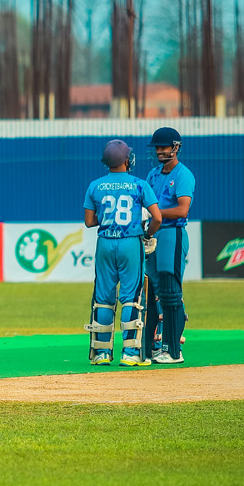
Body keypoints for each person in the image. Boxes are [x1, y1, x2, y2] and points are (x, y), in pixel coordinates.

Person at [83, 140, 162, 366]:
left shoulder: (95, 186)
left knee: (104, 299)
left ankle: (101, 353)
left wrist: (110, 219)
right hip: (130, 242)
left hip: (105, 242)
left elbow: (89, 221)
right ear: (126, 160)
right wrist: (147, 234)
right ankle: (130, 354)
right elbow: (157, 217)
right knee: (131, 298)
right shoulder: (139, 184)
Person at [145, 126, 195, 364]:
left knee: (170, 291)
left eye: (164, 147)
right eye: (157, 147)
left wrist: (154, 214)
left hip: (173, 234)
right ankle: (154, 345)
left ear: (176, 147)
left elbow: (182, 209)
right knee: (153, 291)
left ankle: (173, 350)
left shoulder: (184, 174)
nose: (160, 151)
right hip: (154, 234)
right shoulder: (153, 174)